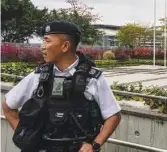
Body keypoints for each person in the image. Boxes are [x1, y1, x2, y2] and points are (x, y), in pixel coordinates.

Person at [2, 20, 121, 152]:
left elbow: (113, 115)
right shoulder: (39, 76)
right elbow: (8, 107)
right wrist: (27, 138)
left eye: (47, 41)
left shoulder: (92, 78)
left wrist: (94, 145)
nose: (42, 46)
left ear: (65, 46)